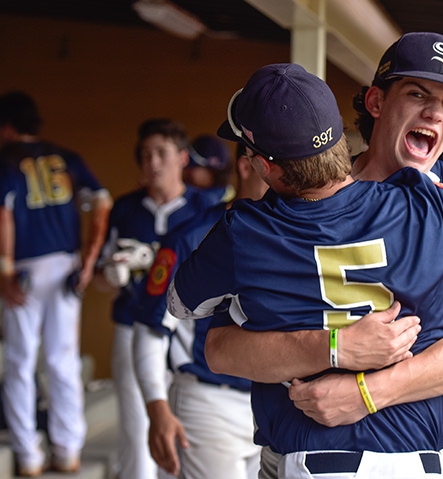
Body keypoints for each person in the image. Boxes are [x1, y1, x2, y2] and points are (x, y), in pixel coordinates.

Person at [168, 62, 443, 478]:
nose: (435, 112)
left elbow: (182, 305)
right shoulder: (431, 204)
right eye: (418, 95)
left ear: (265, 167)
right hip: (397, 455)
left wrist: (362, 385)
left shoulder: (246, 228)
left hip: (314, 451)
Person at [97, 119, 221, 479]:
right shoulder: (125, 209)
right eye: (146, 154)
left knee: (185, 432)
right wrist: (111, 275)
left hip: (188, 330)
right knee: (138, 426)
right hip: (133, 323)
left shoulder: (205, 206)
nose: (153, 162)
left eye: (161, 153)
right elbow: (102, 280)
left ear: (182, 158)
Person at [0, 91, 112, 476]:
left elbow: (4, 216)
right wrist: (89, 258)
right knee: (62, 361)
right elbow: (101, 202)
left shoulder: (5, 160)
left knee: (19, 362)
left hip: (24, 268)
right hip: (66, 265)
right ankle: (67, 450)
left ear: (7, 125)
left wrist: (4, 270)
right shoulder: (67, 157)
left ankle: (28, 454)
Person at [132, 155, 266, 478]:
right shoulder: (191, 236)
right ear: (246, 167)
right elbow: (151, 329)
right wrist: (156, 406)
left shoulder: (289, 231)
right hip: (208, 401)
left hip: (269, 402)